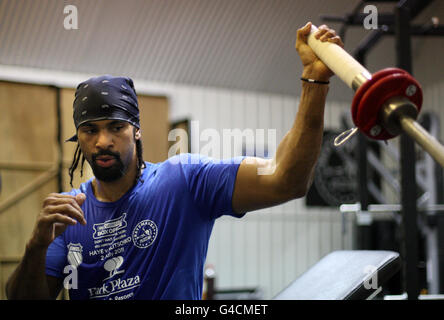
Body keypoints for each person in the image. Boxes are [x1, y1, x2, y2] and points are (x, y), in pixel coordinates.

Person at [6, 22, 343, 300]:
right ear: (78, 137)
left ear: (136, 131)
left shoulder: (184, 181)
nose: (103, 141)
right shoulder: (69, 215)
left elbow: (287, 179)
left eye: (116, 127)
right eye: (90, 130)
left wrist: (314, 81)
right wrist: (36, 246)